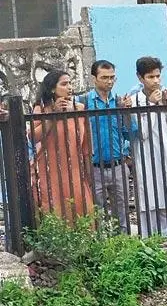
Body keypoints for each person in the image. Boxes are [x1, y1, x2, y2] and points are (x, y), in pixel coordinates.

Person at [29, 70, 93, 220]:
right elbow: (33, 136)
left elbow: (86, 145)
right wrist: (53, 115)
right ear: (52, 88)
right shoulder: (41, 109)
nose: (69, 87)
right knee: (56, 213)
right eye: (64, 84)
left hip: (75, 169)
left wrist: (89, 171)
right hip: (50, 170)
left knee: (82, 212)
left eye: (70, 83)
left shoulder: (79, 108)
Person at [127, 57, 167, 236]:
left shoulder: (166, 96)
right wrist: (150, 104)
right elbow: (141, 133)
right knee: (148, 198)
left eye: (158, 76)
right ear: (140, 78)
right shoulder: (134, 100)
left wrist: (166, 104)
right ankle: (148, 238)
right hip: (145, 156)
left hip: (165, 153)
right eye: (150, 77)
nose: (156, 81)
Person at [81, 60, 134, 232]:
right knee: (98, 213)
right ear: (94, 79)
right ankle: (103, 243)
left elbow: (131, 133)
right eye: (104, 77)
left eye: (112, 78)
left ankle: (124, 242)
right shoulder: (83, 103)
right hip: (94, 166)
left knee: (122, 212)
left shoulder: (118, 102)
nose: (109, 81)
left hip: (118, 164)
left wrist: (127, 112)